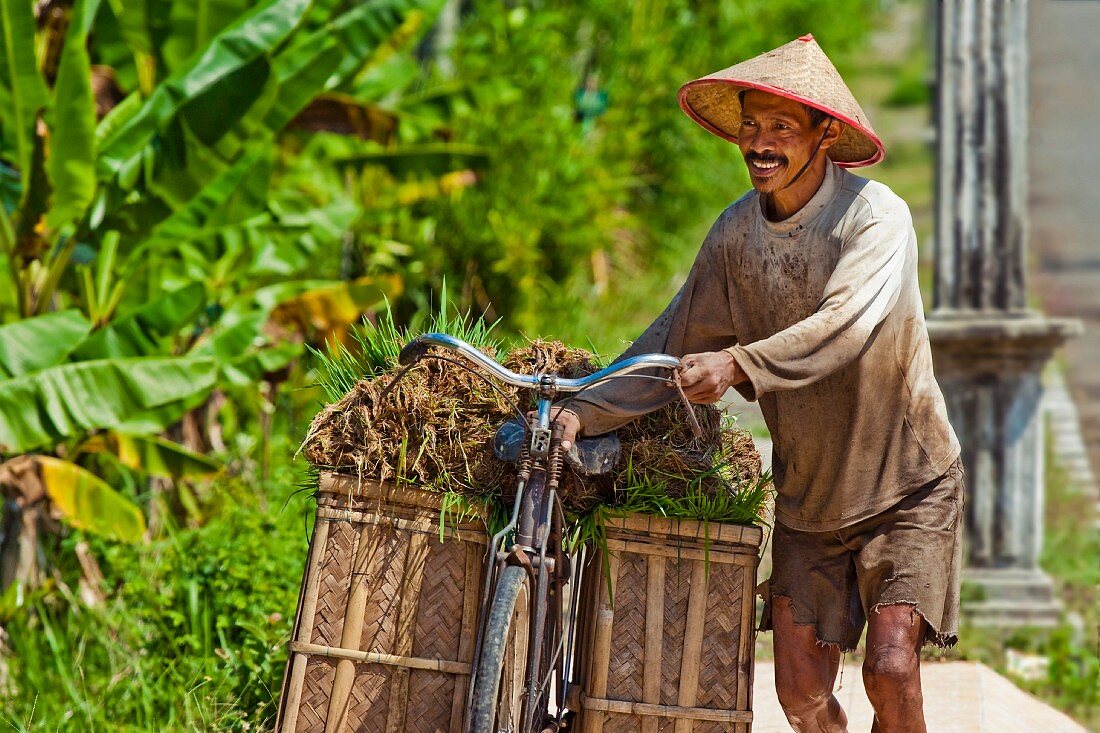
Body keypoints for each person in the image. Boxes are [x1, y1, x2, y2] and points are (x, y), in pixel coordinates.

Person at [553, 35, 963, 733]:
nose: (760, 143)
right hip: (809, 498)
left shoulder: (875, 218)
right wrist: (581, 411)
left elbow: (843, 327)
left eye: (780, 127)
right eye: (751, 125)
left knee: (892, 668)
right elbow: (672, 342)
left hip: (908, 485)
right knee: (801, 697)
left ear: (824, 135)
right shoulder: (734, 237)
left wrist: (738, 363)